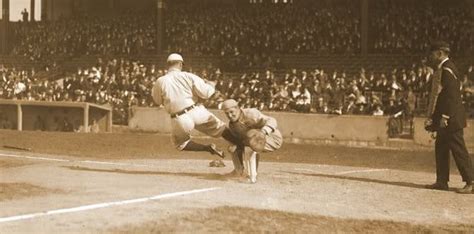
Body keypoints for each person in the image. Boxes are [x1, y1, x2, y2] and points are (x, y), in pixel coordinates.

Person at [152, 53, 235, 158]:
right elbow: (207, 93)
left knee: (181, 144)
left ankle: (208, 148)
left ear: (167, 65)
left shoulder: (160, 81)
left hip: (180, 117)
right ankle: (242, 142)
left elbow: (157, 101)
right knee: (222, 129)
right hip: (196, 111)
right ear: (180, 64)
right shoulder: (188, 75)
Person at [424, 41, 474, 194]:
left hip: (451, 118)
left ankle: (471, 181)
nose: (430, 57)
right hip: (446, 117)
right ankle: (442, 181)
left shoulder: (447, 69)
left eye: (432, 53)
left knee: (458, 150)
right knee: (441, 148)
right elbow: (442, 97)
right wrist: (435, 118)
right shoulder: (444, 68)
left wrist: (445, 116)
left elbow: (451, 96)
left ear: (439, 53)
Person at [221, 99, 283, 183]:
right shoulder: (233, 125)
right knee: (235, 146)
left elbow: (272, 120)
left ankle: (251, 177)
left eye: (231, 112)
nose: (230, 115)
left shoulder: (251, 113)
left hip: (273, 138)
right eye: (227, 113)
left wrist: (263, 132)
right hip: (254, 140)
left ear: (238, 108)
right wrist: (234, 146)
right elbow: (241, 142)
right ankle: (239, 171)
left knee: (250, 143)